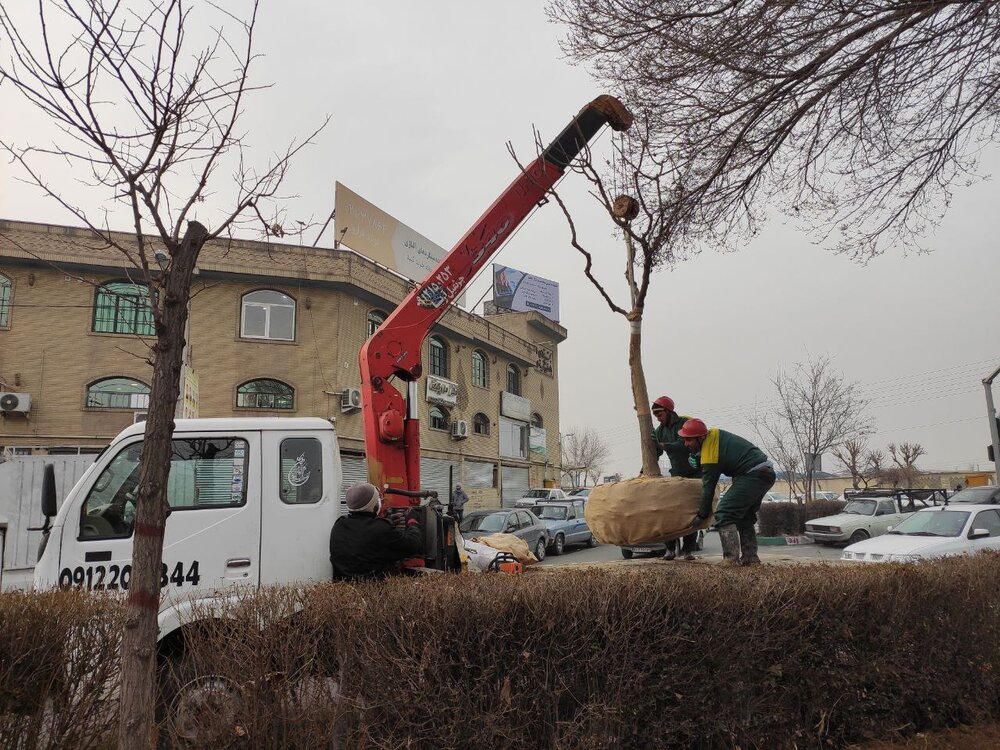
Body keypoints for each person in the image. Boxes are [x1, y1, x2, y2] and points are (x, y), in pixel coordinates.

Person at [678, 419, 776, 566]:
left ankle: (731, 559)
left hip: (753, 474)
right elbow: (724, 453)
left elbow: (708, 487)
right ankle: (750, 557)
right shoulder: (713, 435)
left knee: (724, 513)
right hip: (764, 473)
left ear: (701, 437)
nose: (686, 444)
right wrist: (699, 456)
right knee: (744, 516)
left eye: (689, 440)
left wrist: (702, 515)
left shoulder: (710, 453)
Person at [329, 483, 424, 580]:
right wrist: (412, 521)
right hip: (374, 586)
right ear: (375, 505)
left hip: (345, 585)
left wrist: (386, 523)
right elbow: (414, 544)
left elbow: (364, 538)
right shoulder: (381, 529)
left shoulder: (339, 525)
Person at [650, 396, 702, 561]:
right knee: (669, 512)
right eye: (655, 415)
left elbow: (682, 446)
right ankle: (670, 549)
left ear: (668, 411)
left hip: (694, 473)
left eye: (660, 414)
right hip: (677, 474)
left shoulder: (685, 423)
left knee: (691, 513)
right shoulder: (660, 431)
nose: (658, 418)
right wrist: (646, 467)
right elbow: (656, 453)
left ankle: (688, 550)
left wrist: (663, 445)